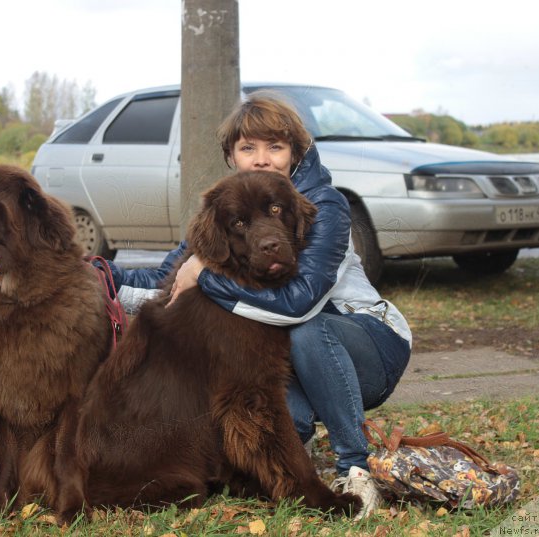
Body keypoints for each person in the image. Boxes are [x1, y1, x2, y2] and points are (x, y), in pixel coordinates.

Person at [105, 91, 412, 519]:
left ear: (296, 152)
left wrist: (206, 276)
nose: (262, 159)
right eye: (248, 148)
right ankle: (275, 474)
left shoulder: (324, 205)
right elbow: (165, 280)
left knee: (308, 328)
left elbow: (299, 303)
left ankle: (355, 467)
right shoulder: (229, 207)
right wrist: (103, 275)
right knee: (284, 421)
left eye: (275, 146)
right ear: (231, 156)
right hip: (291, 356)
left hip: (364, 342)